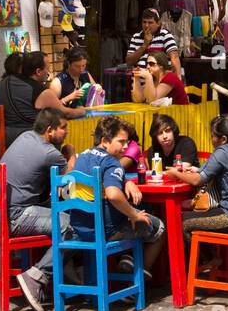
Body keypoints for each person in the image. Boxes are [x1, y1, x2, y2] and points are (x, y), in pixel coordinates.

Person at [0, 107, 76, 311]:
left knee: (64, 213)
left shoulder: (25, 136)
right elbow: (69, 176)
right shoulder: (48, 152)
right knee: (71, 226)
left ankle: (63, 267)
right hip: (13, 217)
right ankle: (37, 276)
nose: (67, 132)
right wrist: (70, 153)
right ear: (50, 130)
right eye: (63, 128)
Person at [70, 116, 166, 278]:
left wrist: (126, 181)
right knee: (159, 227)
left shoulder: (83, 157)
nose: (126, 146)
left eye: (127, 142)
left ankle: (128, 263)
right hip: (104, 231)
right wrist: (133, 214)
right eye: (121, 142)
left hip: (81, 227)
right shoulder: (111, 162)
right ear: (105, 141)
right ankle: (133, 277)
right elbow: (113, 194)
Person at [163, 114, 228, 250]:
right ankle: (209, 261)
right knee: (198, 217)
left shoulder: (223, 151)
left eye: (212, 135)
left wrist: (176, 173)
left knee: (180, 222)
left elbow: (196, 180)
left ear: (223, 139)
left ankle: (206, 260)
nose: (211, 139)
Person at [21, 51, 86, 121]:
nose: (49, 71)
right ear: (38, 71)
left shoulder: (15, 82)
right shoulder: (44, 91)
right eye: (47, 68)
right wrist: (80, 111)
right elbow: (65, 113)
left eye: (84, 66)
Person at [126, 7, 182, 75]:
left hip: (160, 83)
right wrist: (144, 45)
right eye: (144, 22)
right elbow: (129, 62)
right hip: (140, 83)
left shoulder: (164, 35)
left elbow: (174, 56)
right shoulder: (136, 37)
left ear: (158, 23)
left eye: (150, 23)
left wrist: (178, 79)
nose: (146, 25)